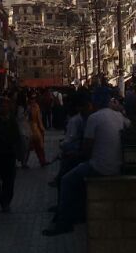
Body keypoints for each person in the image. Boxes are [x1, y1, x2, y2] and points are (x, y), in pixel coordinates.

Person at [43, 89, 129, 236]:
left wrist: (73, 153)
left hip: (100, 167)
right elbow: (129, 125)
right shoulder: (118, 116)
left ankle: (64, 222)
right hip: (117, 165)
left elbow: (86, 151)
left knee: (67, 180)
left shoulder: (94, 118)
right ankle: (77, 213)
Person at [26, 92, 49, 167]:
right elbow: (38, 119)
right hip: (33, 128)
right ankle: (42, 161)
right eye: (32, 98)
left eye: (34, 98)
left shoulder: (31, 107)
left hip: (31, 128)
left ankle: (42, 161)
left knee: (34, 146)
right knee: (37, 146)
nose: (33, 100)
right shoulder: (33, 107)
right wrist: (42, 128)